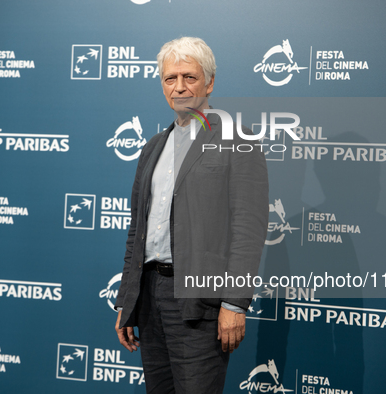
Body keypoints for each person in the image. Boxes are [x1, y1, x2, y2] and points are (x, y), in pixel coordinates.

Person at [114, 36, 268, 394]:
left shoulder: (236, 140)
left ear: (210, 82)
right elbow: (137, 231)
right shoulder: (152, 147)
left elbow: (248, 228)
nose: (179, 87)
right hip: (149, 296)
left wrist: (234, 302)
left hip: (201, 301)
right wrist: (127, 299)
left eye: (189, 77)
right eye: (170, 78)